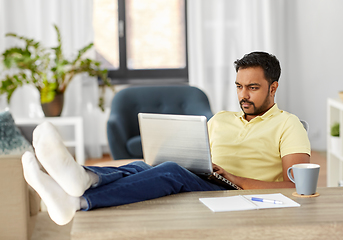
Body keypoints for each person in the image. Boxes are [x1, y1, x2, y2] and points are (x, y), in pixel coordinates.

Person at [21, 51, 310, 225]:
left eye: (253, 87)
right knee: (146, 166)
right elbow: (199, 156)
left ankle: (80, 201)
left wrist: (236, 179)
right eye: (239, 86)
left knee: (171, 172)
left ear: (273, 88)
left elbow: (295, 186)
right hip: (209, 180)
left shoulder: (288, 124)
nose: (243, 95)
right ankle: (82, 180)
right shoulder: (222, 118)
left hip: (236, 192)